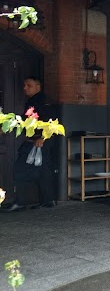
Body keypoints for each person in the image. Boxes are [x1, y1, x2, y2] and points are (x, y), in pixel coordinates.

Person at [6, 76, 55, 211]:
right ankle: (46, 200)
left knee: (22, 169)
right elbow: (25, 119)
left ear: (38, 87)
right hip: (34, 141)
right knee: (41, 170)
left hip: (39, 141)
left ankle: (24, 201)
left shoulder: (43, 101)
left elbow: (50, 120)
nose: (25, 88)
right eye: (24, 85)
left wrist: (43, 138)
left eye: (29, 85)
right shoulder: (32, 101)